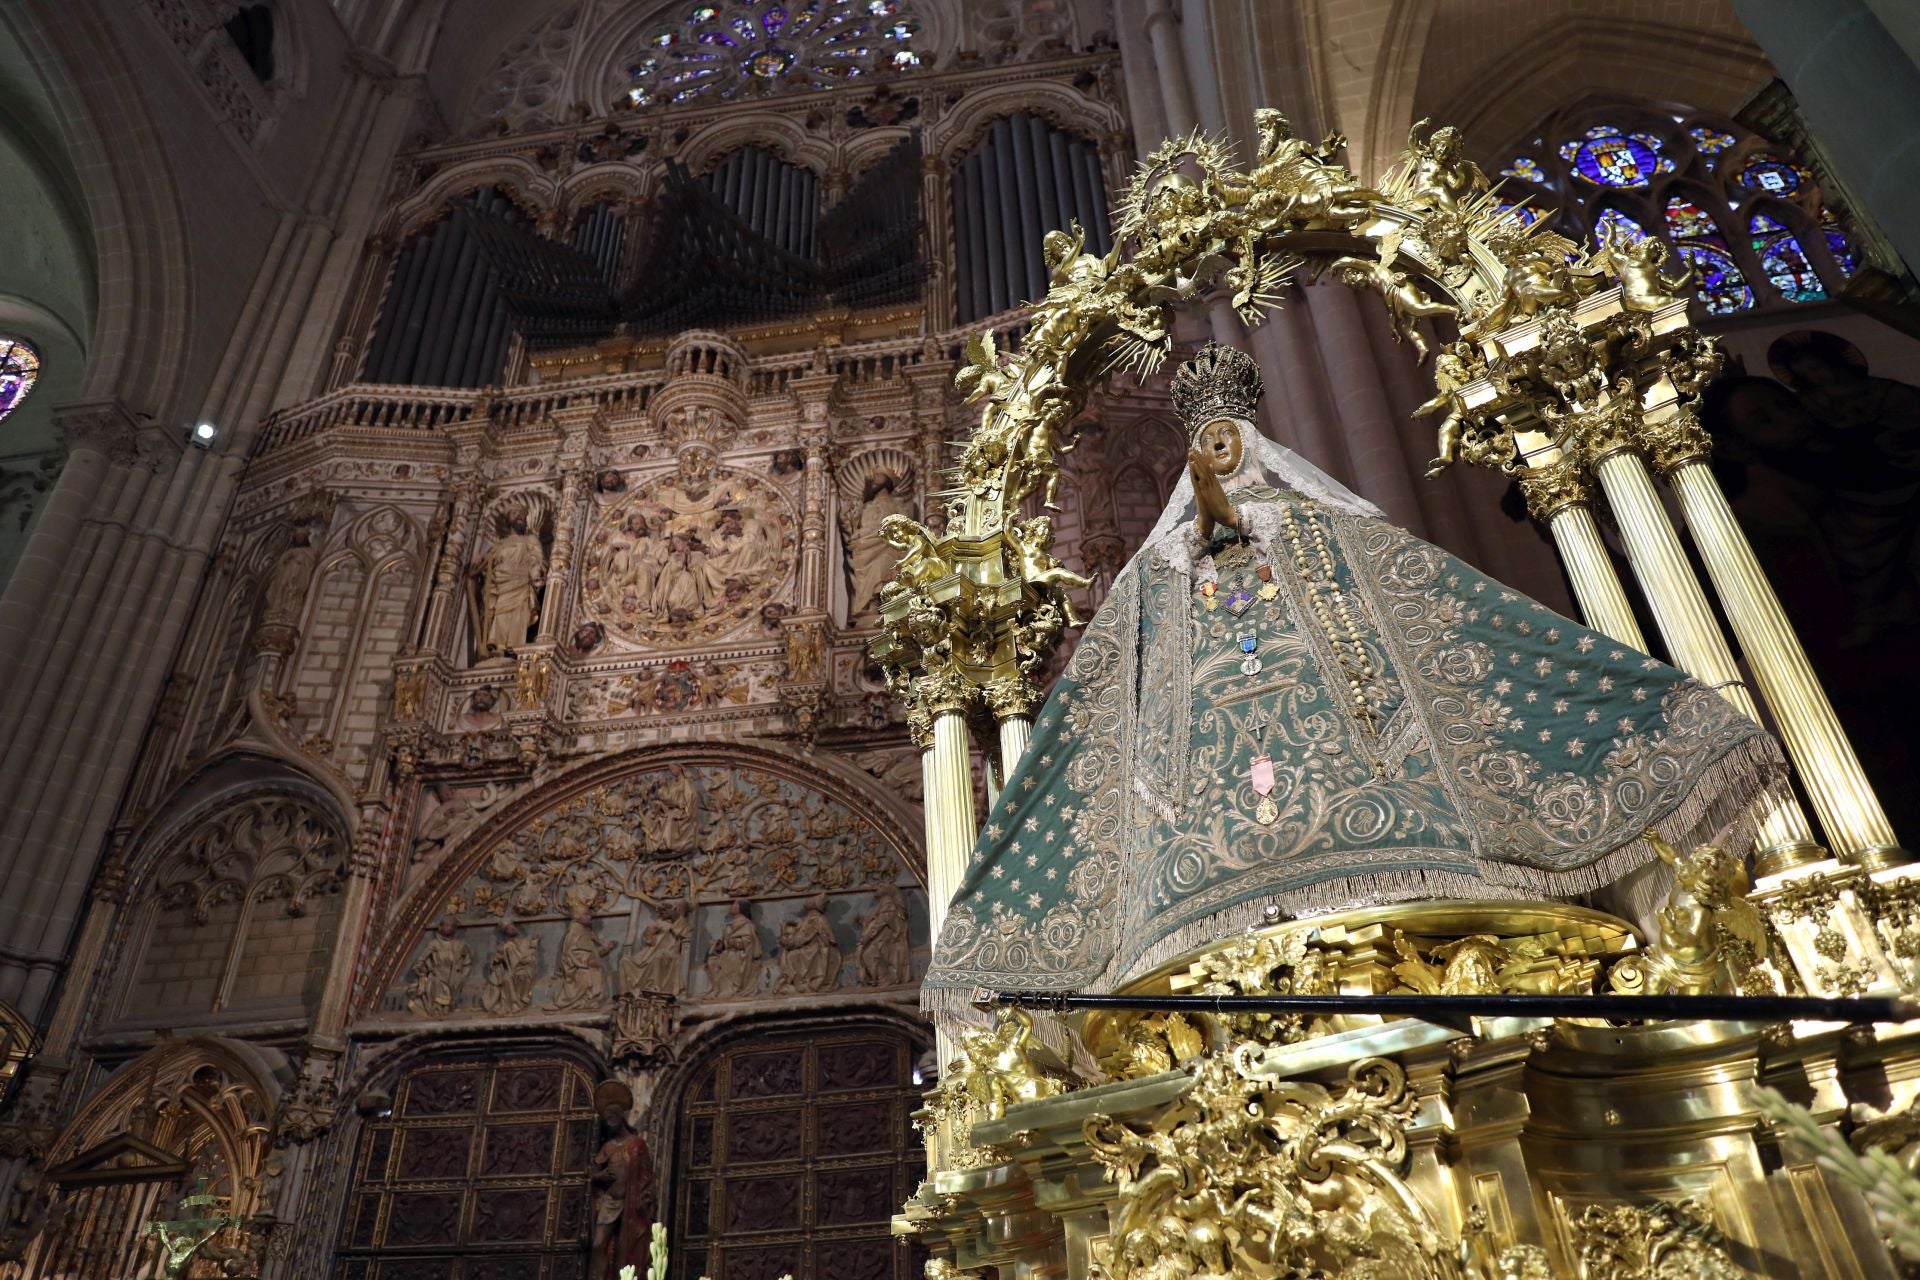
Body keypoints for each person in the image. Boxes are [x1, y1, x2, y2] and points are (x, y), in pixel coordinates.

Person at [919, 344, 1783, 1017]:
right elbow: (1086, 726)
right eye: (1204, 453)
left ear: (1259, 451)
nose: (1218, 467)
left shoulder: (1342, 543)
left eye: (1230, 448)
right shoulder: (1154, 587)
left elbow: (1468, 625)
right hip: (1197, 895)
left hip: (1404, 856)